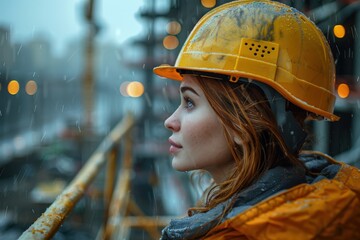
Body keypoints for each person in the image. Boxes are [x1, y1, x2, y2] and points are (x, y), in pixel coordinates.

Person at [153, 0, 360, 239]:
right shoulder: (318, 209)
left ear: (244, 123)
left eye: (190, 103)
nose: (170, 121)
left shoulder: (241, 233)